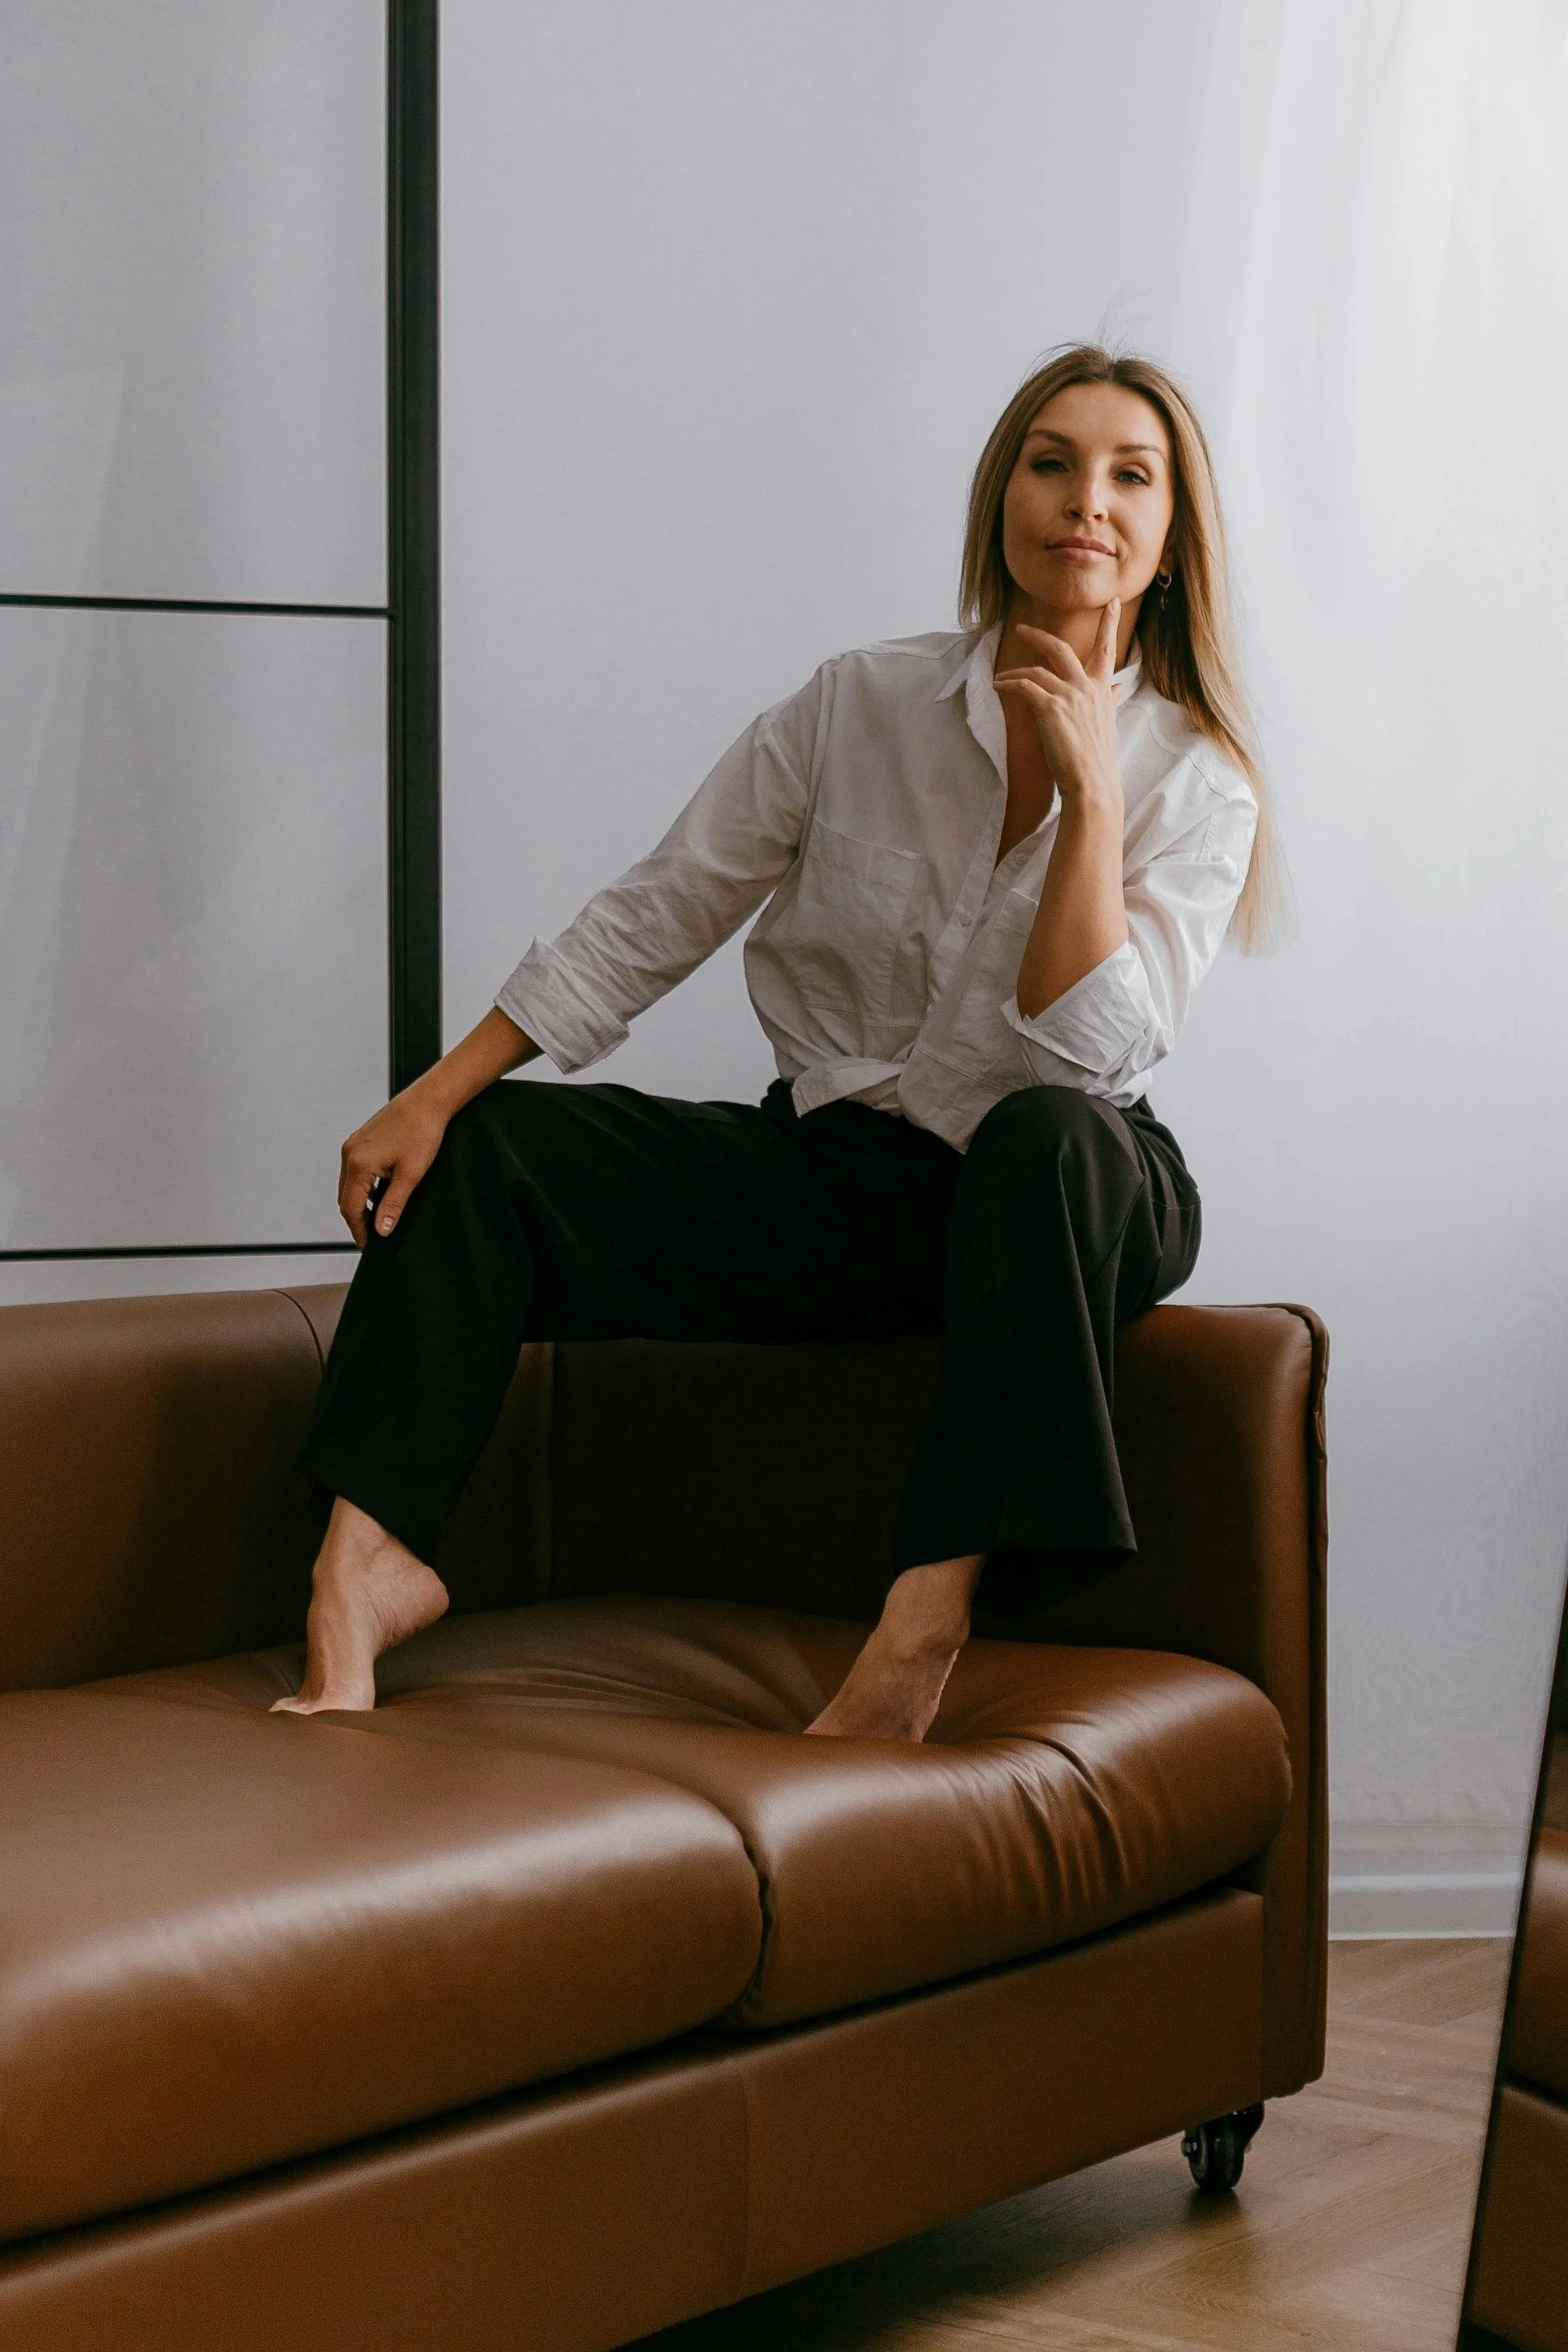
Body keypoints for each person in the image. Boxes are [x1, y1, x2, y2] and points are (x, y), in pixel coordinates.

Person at [274, 342, 1282, 1738]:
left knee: (1042, 1138)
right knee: (493, 1151)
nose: (1085, 501)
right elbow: (662, 906)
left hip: (1072, 1188)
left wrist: (1095, 811)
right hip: (852, 1179)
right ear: (1003, 501)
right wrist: (435, 1094)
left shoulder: (1197, 776)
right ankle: (371, 1560)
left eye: (1131, 474)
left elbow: (1096, 1061)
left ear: (1172, 539)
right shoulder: (857, 704)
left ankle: (923, 1621)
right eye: (1051, 463)